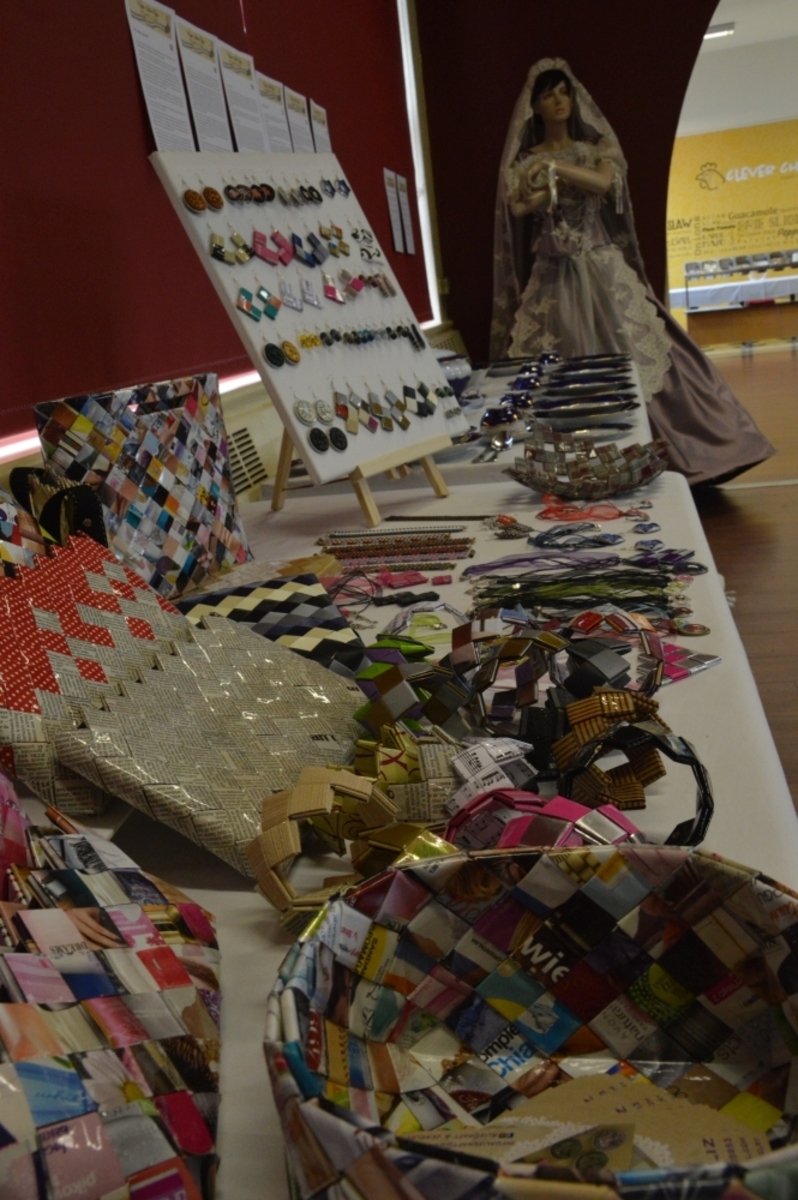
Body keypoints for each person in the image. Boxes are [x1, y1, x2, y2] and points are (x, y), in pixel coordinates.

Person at [491, 58, 775, 486]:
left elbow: (603, 183)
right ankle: (577, 467)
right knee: (558, 365)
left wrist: (555, 171)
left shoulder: (596, 148)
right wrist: (547, 179)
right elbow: (518, 206)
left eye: (563, 92)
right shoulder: (527, 159)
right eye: (548, 95)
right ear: (535, 107)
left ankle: (668, 453)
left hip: (601, 267)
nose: (558, 101)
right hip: (553, 274)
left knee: (640, 351)